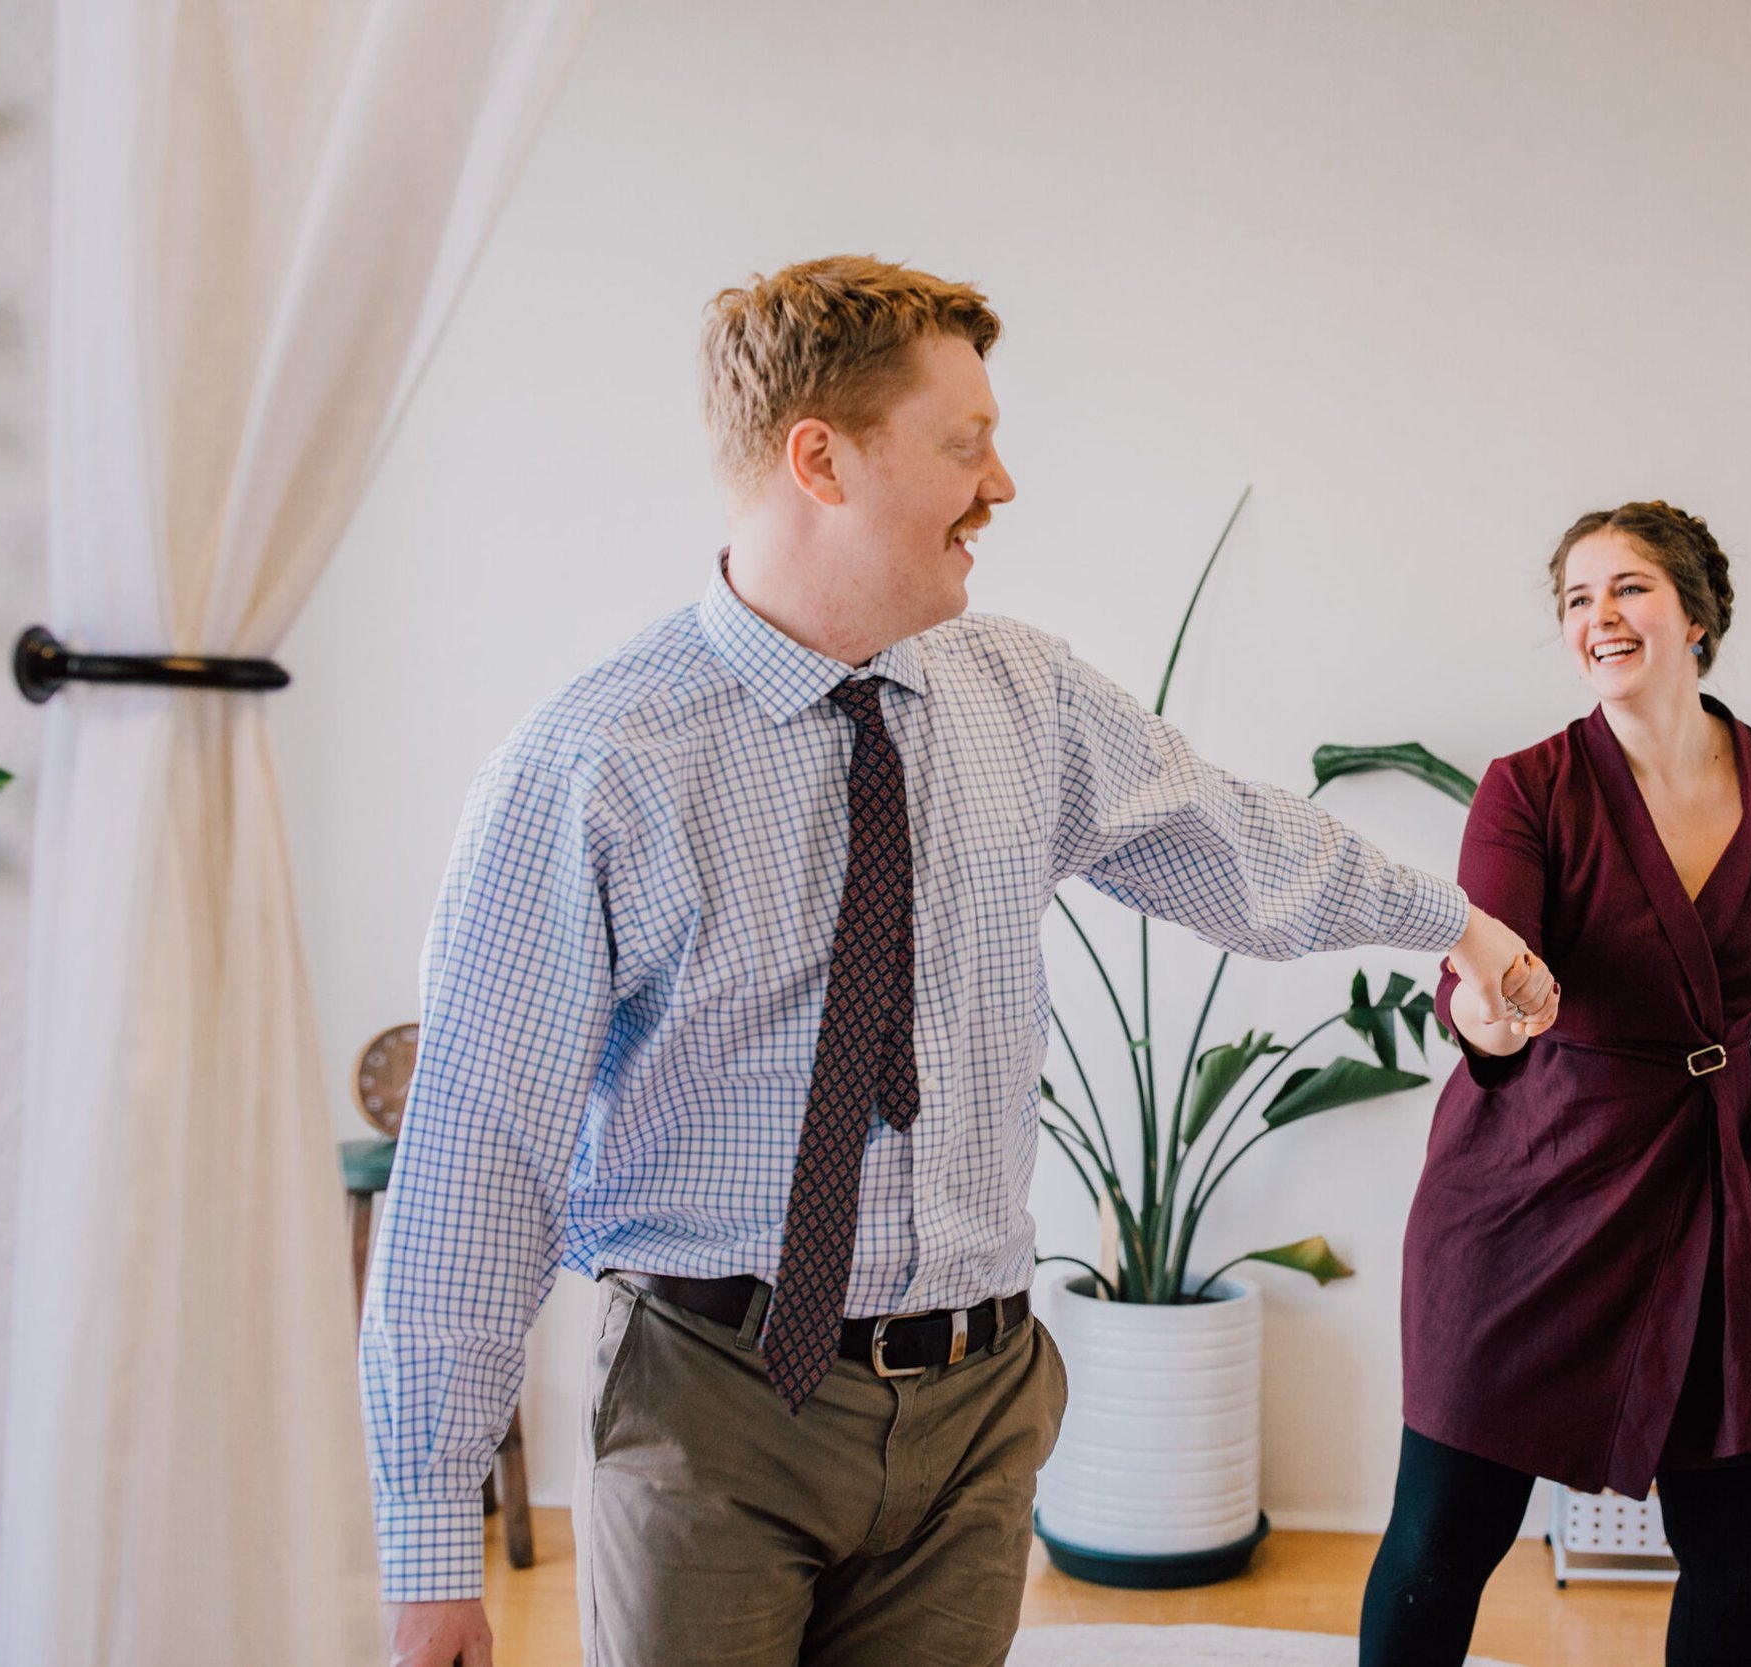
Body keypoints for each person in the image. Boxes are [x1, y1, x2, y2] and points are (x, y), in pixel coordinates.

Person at [360, 255, 1555, 1667]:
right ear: (821, 458)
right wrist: (431, 1541)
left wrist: (1461, 927)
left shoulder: (1024, 696)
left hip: (978, 1404)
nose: (1002, 484)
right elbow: (476, 1160)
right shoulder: (591, 765)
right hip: (713, 1410)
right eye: (964, 442)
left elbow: (1236, 844)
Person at [1357, 502, 1751, 1667]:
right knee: (1445, 1530)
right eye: (1576, 599)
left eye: (1626, 588)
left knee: (1740, 1536)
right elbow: (1486, 956)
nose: (1599, 618)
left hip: (1725, 1189)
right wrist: (1489, 1005)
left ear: (1697, 614)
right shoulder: (1527, 787)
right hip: (1529, 1187)